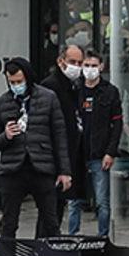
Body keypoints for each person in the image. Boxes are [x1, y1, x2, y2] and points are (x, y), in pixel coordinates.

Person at [0, 57, 72, 239]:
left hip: (41, 166)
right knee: (9, 222)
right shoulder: (0, 104)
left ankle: (49, 254)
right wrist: (6, 136)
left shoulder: (48, 98)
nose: (16, 86)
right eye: (12, 82)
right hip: (13, 169)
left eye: (19, 81)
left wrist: (64, 171)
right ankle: (7, 255)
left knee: (50, 221)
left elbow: (59, 136)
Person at [67, 51, 121, 236]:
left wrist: (110, 152)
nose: (90, 69)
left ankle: (103, 236)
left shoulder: (110, 91)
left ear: (101, 67)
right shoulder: (74, 90)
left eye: (94, 65)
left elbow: (117, 124)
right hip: (77, 154)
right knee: (74, 201)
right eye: (87, 65)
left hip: (99, 153)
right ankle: (72, 236)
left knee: (102, 201)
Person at [42, 45, 85, 225]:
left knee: (59, 206)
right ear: (61, 61)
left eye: (80, 63)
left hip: (70, 152)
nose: (77, 66)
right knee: (51, 209)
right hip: (55, 156)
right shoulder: (51, 87)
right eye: (72, 62)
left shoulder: (75, 85)